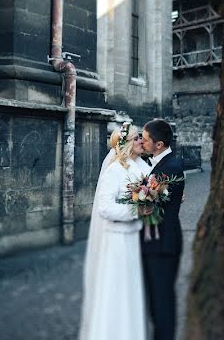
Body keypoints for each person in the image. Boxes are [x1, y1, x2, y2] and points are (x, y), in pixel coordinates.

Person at [79, 122, 151, 340]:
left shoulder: (143, 167)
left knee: (133, 293)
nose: (142, 141)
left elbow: (155, 191)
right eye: (138, 138)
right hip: (117, 242)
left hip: (136, 239)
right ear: (127, 143)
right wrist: (136, 211)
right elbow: (105, 208)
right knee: (117, 292)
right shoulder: (114, 170)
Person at [139, 118, 186, 340]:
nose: (142, 142)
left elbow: (151, 203)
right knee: (156, 301)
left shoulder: (169, 168)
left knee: (162, 302)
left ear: (159, 145)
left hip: (162, 245)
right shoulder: (160, 165)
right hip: (156, 243)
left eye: (145, 139)